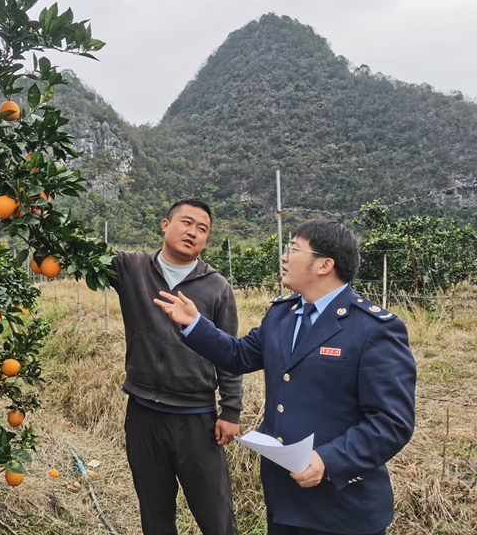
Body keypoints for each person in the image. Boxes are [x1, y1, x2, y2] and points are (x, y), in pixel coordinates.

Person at [154, 219, 416, 535]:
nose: (284, 256)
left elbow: (392, 422)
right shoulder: (282, 314)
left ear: (324, 265)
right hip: (285, 497)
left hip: (342, 507)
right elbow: (239, 356)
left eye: (293, 248)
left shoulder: (374, 329)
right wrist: (196, 324)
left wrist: (328, 460)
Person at [110, 197, 242, 535]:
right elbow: (77, 256)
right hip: (143, 414)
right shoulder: (130, 268)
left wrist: (231, 410)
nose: (193, 232)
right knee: (155, 514)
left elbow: (229, 354)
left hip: (196, 418)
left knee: (216, 515)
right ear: (165, 225)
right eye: (186, 222)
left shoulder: (217, 287)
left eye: (203, 229)